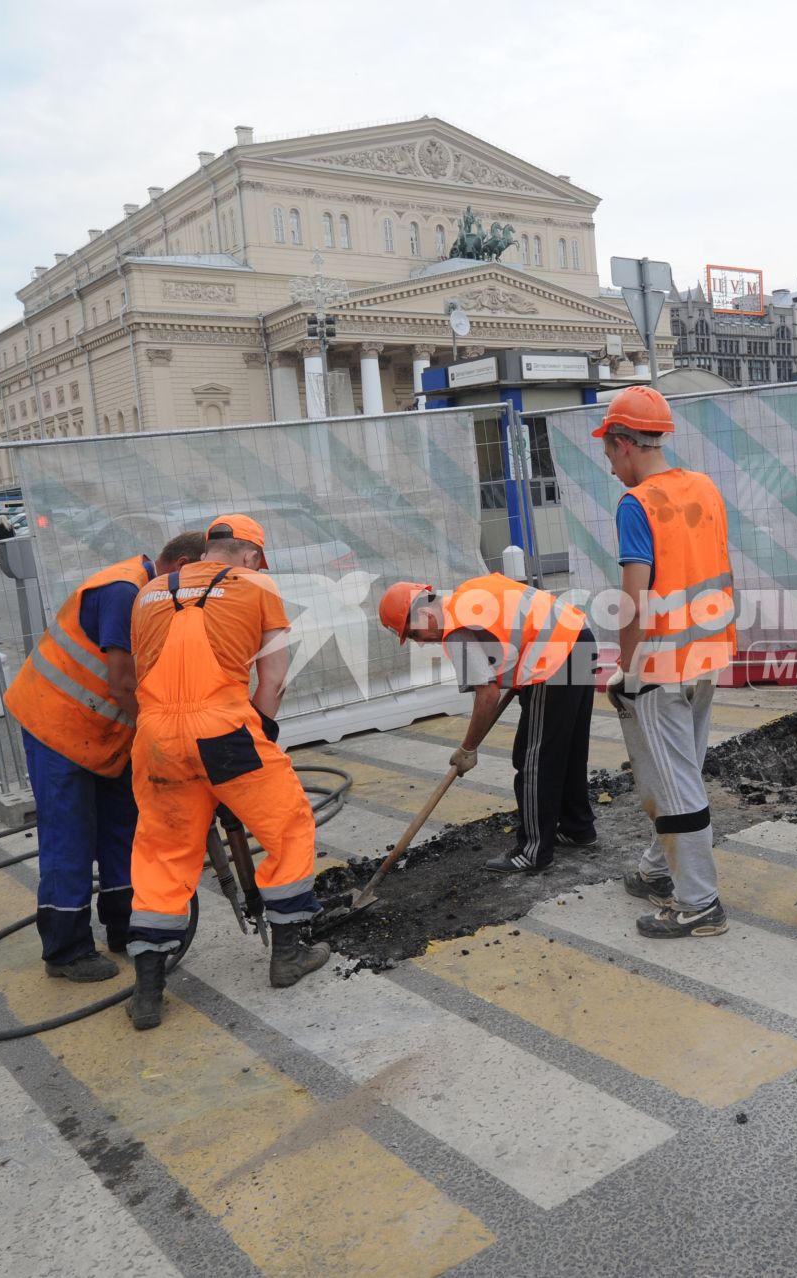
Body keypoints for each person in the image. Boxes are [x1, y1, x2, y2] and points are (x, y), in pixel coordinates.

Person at [124, 514, 328, 1030]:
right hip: (224, 733)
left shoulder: (148, 592)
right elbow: (274, 679)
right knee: (287, 826)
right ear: (251, 556)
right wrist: (260, 726)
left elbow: (141, 670)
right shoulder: (258, 585)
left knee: (163, 852)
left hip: (155, 740)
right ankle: (287, 956)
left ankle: (148, 990)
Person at [2, 530, 207, 981]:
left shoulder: (160, 597)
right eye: (199, 577)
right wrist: (161, 738)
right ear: (182, 564)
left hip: (104, 734)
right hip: (57, 725)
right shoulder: (124, 592)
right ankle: (66, 949)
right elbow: (123, 682)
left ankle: (124, 924)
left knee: (124, 829)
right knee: (71, 835)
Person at [595, 385, 737, 939]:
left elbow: (635, 596)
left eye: (609, 454)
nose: (610, 468)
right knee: (683, 770)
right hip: (707, 653)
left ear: (625, 442)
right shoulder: (702, 486)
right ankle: (658, 869)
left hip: (661, 664)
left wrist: (626, 668)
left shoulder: (637, 504)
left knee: (676, 783)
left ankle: (699, 903)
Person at [378, 573, 598, 874]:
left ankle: (533, 851)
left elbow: (487, 695)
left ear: (426, 615)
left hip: (555, 659)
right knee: (568, 748)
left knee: (533, 760)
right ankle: (577, 827)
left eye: (413, 635)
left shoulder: (456, 630)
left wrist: (468, 747)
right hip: (580, 637)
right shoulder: (470, 592)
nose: (419, 643)